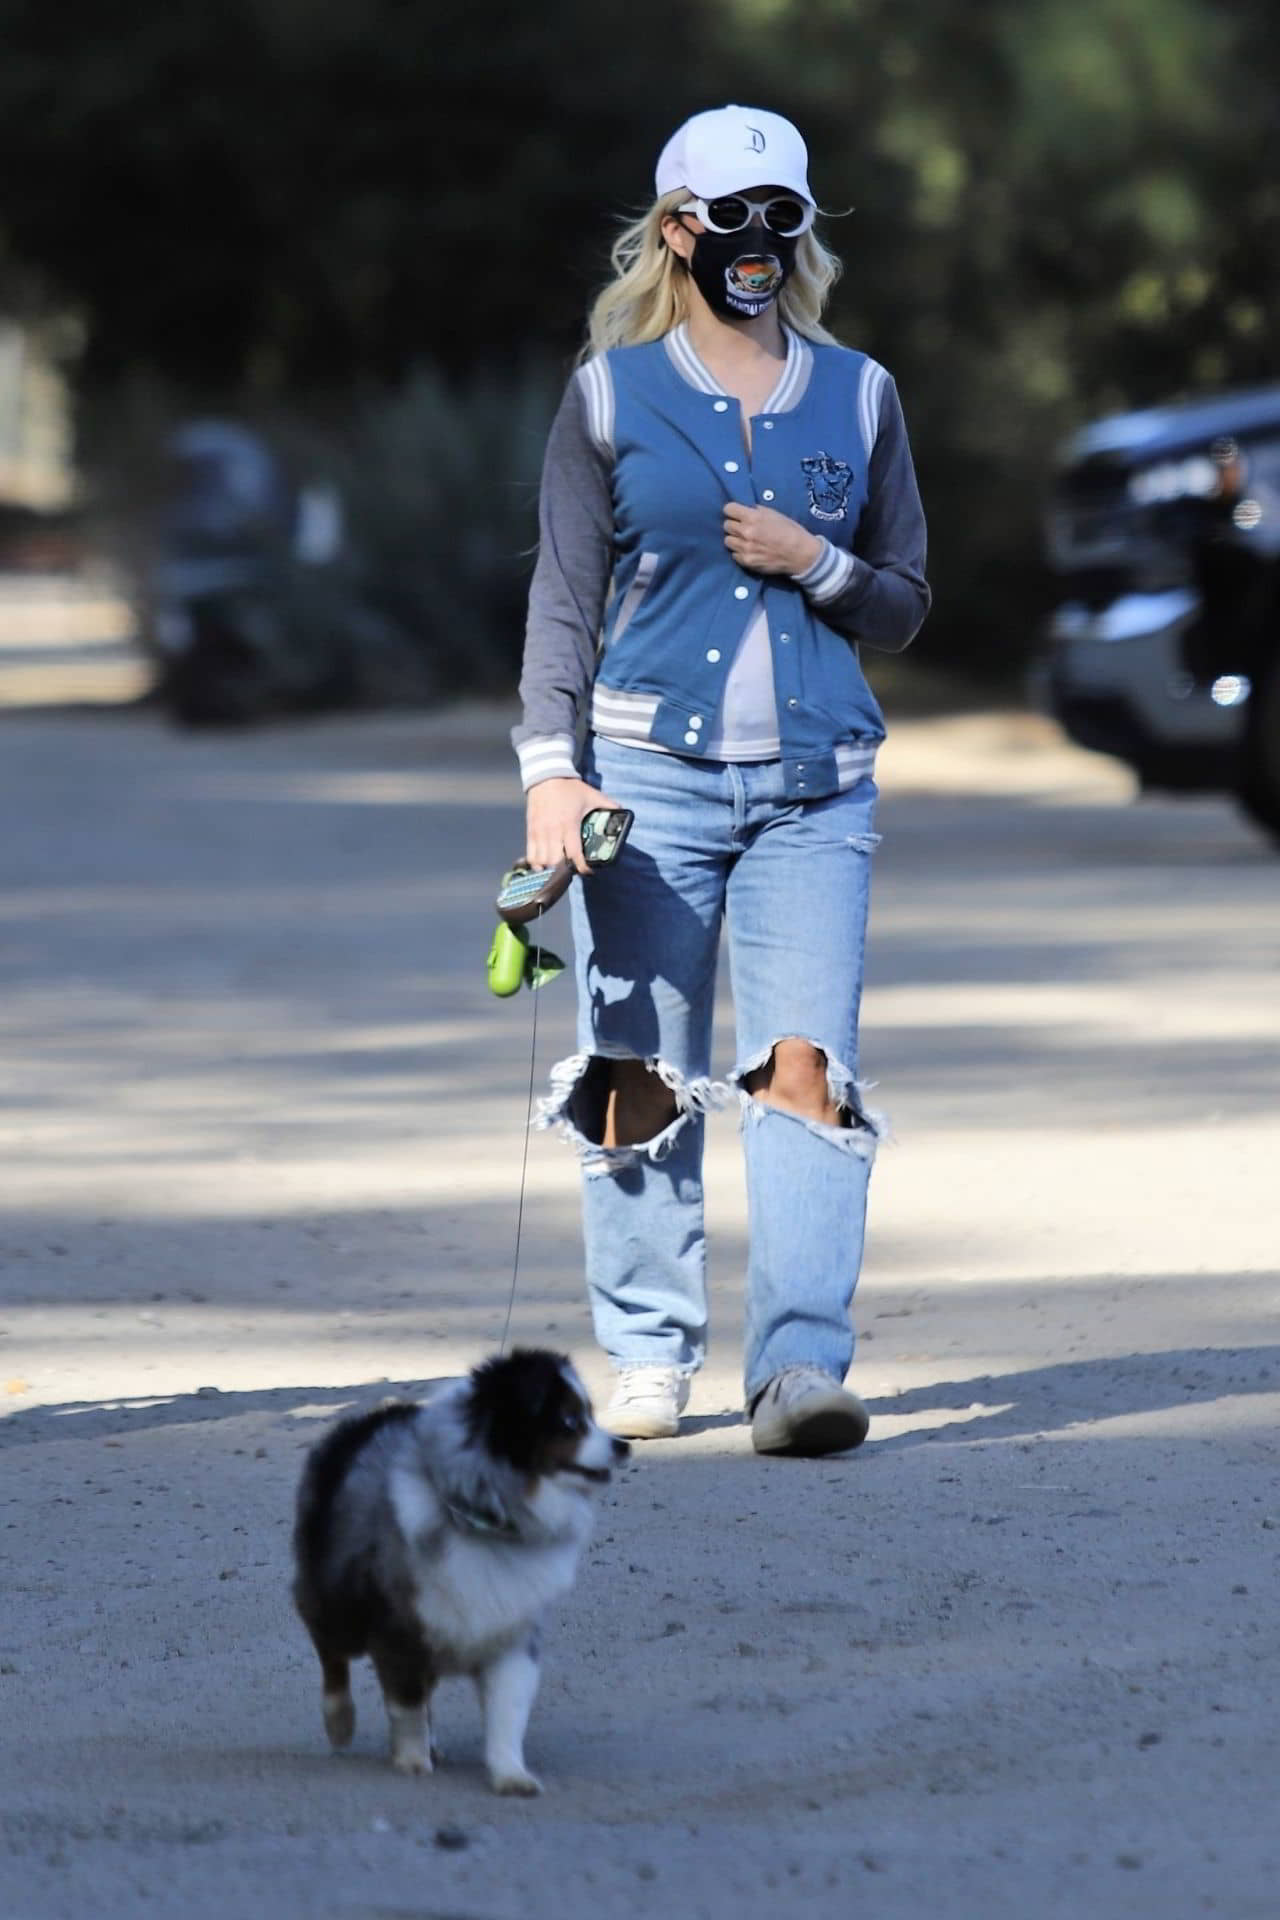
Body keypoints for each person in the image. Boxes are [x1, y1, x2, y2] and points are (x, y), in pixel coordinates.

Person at [513, 105, 929, 1453]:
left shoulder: (860, 394)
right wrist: (547, 779)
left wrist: (819, 563)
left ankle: (799, 1372)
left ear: (801, 229)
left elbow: (909, 603)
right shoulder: (606, 396)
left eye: (783, 216)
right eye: (730, 217)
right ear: (679, 228)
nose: (758, 242)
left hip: (818, 792)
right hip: (649, 788)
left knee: (804, 1072)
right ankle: (646, 1350)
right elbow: (563, 608)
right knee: (637, 1067)